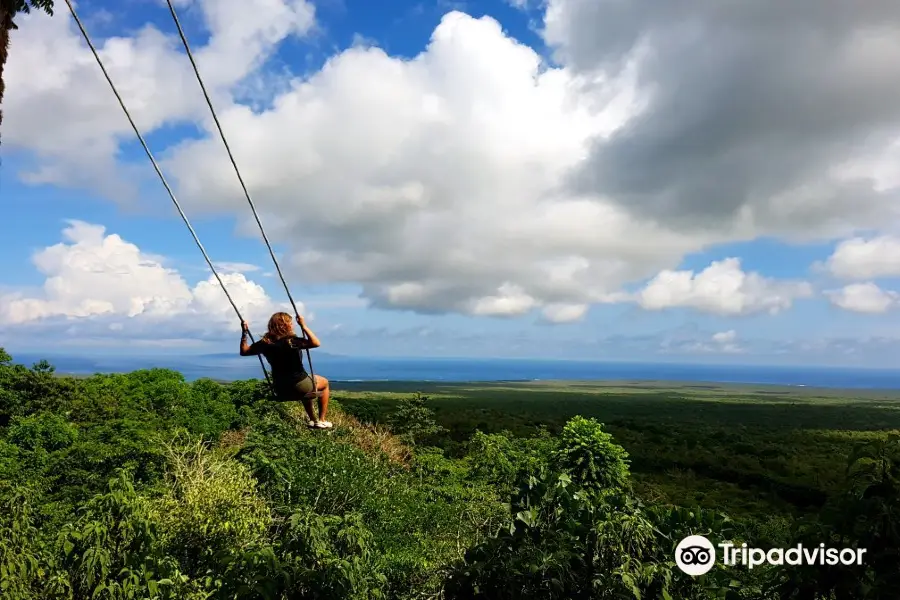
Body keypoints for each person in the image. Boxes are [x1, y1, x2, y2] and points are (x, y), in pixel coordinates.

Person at [239, 312, 332, 429]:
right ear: (285, 325)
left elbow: (244, 351)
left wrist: (244, 332)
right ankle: (322, 420)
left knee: (307, 388)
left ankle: (313, 420)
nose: (292, 325)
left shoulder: (265, 343)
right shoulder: (292, 341)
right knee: (324, 383)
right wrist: (304, 326)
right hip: (299, 385)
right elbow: (316, 343)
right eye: (291, 323)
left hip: (280, 388)